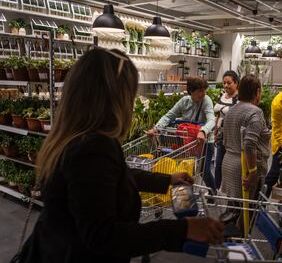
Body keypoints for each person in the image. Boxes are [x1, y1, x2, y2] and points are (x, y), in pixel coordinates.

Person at [18, 48, 224, 263]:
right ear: (114, 97)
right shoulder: (92, 147)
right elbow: (103, 236)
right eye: (130, 93)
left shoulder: (75, 138)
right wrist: (183, 229)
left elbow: (114, 177)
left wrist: (168, 179)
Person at [147, 76, 216, 191]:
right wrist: (156, 129)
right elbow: (169, 116)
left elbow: (212, 120)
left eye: (204, 90)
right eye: (200, 91)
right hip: (189, 141)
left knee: (205, 171)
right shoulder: (184, 101)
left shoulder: (206, 100)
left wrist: (203, 131)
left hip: (205, 141)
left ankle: (213, 192)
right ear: (191, 91)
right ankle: (186, 194)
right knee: (186, 168)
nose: (203, 93)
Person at [221, 74, 271, 200]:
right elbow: (249, 144)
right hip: (245, 169)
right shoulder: (255, 112)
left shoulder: (231, 110)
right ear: (257, 92)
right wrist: (253, 171)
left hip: (228, 164)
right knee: (247, 215)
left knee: (233, 211)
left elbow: (222, 138)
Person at [213, 70, 239, 190]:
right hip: (220, 135)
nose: (226, 85)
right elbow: (218, 114)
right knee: (218, 164)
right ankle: (216, 189)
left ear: (236, 83)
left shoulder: (238, 99)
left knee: (230, 166)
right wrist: (215, 130)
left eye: (229, 83)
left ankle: (230, 190)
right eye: (224, 83)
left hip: (232, 137)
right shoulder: (222, 95)